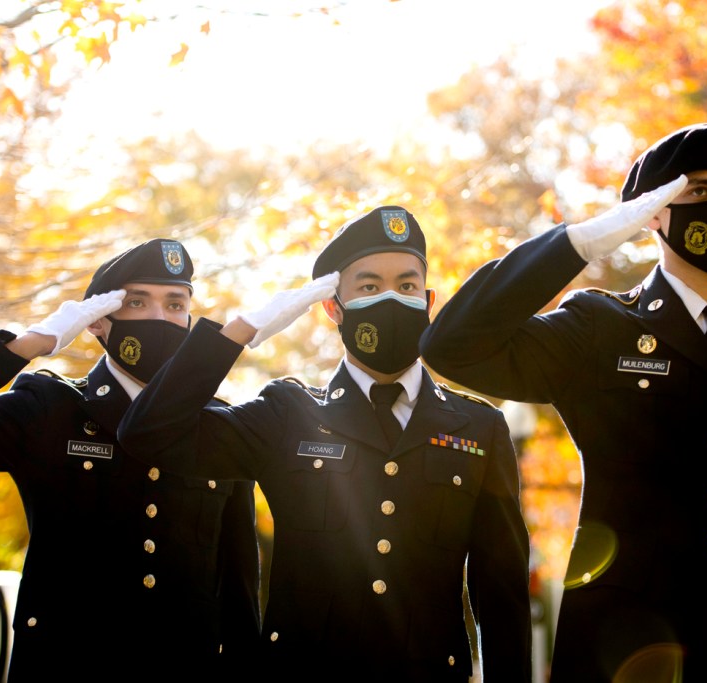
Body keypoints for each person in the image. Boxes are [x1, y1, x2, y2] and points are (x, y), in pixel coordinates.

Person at [419, 121, 707, 682]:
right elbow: (451, 346)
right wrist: (583, 242)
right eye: (700, 191)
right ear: (653, 212)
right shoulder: (600, 329)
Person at [118, 207, 533, 681]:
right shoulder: (288, 413)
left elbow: (502, 596)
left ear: (428, 300)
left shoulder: (478, 427)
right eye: (370, 287)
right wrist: (236, 334)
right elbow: (150, 434)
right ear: (333, 307)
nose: (392, 299)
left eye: (407, 285)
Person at [0, 238, 262, 682]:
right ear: (98, 321)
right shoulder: (52, 409)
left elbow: (238, 582)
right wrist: (26, 345)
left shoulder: (218, 422)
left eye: (176, 304)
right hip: (68, 663)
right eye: (138, 301)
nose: (161, 317)